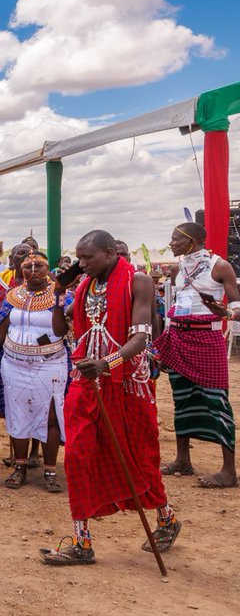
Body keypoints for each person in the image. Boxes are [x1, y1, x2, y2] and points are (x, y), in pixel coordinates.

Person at [41, 230, 181, 566]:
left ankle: (166, 518)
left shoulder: (140, 281)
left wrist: (107, 363)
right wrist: (60, 291)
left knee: (137, 457)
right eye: (79, 258)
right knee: (78, 455)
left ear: (109, 253)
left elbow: (141, 338)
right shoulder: (85, 286)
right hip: (85, 383)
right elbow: (61, 331)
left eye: (88, 258)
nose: (82, 264)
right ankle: (81, 541)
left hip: (126, 385)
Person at [154, 221, 240, 488]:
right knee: (182, 397)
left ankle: (229, 470)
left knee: (217, 401)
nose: (171, 244)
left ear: (192, 240)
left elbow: (236, 309)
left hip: (207, 339)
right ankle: (183, 460)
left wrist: (222, 311)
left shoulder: (220, 266)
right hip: (178, 335)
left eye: (175, 240)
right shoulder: (177, 269)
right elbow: (176, 302)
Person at [0, 250, 67, 492]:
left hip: (50, 365)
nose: (33, 271)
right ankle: (19, 467)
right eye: (28, 267)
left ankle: (50, 470)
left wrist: (58, 299)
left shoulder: (61, 295)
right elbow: (0, 331)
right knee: (17, 413)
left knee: (51, 416)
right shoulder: (12, 296)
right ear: (20, 270)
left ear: (48, 269)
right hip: (13, 365)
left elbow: (61, 330)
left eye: (39, 266)